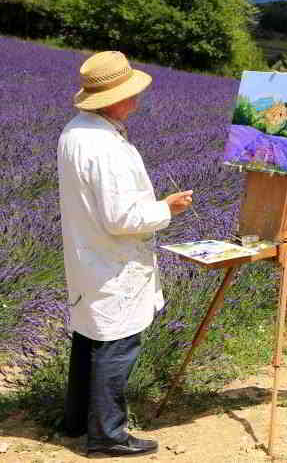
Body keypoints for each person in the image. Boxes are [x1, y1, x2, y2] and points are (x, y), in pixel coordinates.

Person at [57, 51, 193, 457]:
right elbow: (122, 218)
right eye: (131, 93)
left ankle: (75, 421)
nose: (138, 99)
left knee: (89, 338)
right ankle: (107, 437)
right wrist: (167, 208)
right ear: (112, 98)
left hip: (90, 258)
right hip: (112, 261)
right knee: (117, 345)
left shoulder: (75, 131)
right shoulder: (104, 146)